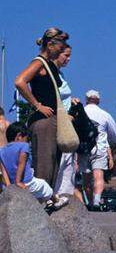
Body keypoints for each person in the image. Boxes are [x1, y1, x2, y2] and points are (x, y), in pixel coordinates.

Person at [13, 28, 69, 187]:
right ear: (50, 44)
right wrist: (37, 105)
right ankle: (40, 202)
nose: (62, 50)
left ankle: (48, 199)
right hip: (43, 122)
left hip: (52, 120)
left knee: (53, 165)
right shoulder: (39, 62)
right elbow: (20, 81)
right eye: (60, 46)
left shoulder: (50, 65)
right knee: (45, 166)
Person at [0, 123, 64, 209]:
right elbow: (21, 163)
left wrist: (9, 186)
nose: (27, 141)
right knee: (44, 186)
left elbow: (3, 170)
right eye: (26, 138)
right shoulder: (24, 146)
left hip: (11, 185)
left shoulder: (1, 150)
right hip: (26, 182)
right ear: (19, 136)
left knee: (38, 191)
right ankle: (56, 200)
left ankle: (43, 203)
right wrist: (18, 181)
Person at [50, 44, 84, 202]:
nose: (69, 59)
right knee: (63, 158)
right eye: (66, 55)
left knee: (68, 159)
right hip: (61, 122)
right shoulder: (51, 74)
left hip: (67, 120)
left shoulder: (60, 74)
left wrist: (71, 102)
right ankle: (59, 195)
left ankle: (64, 194)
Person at [83, 90, 116, 209]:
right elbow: (115, 136)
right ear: (98, 100)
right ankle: (97, 201)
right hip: (99, 148)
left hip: (83, 149)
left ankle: (89, 202)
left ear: (86, 99)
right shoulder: (105, 115)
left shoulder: (80, 112)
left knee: (86, 179)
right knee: (98, 176)